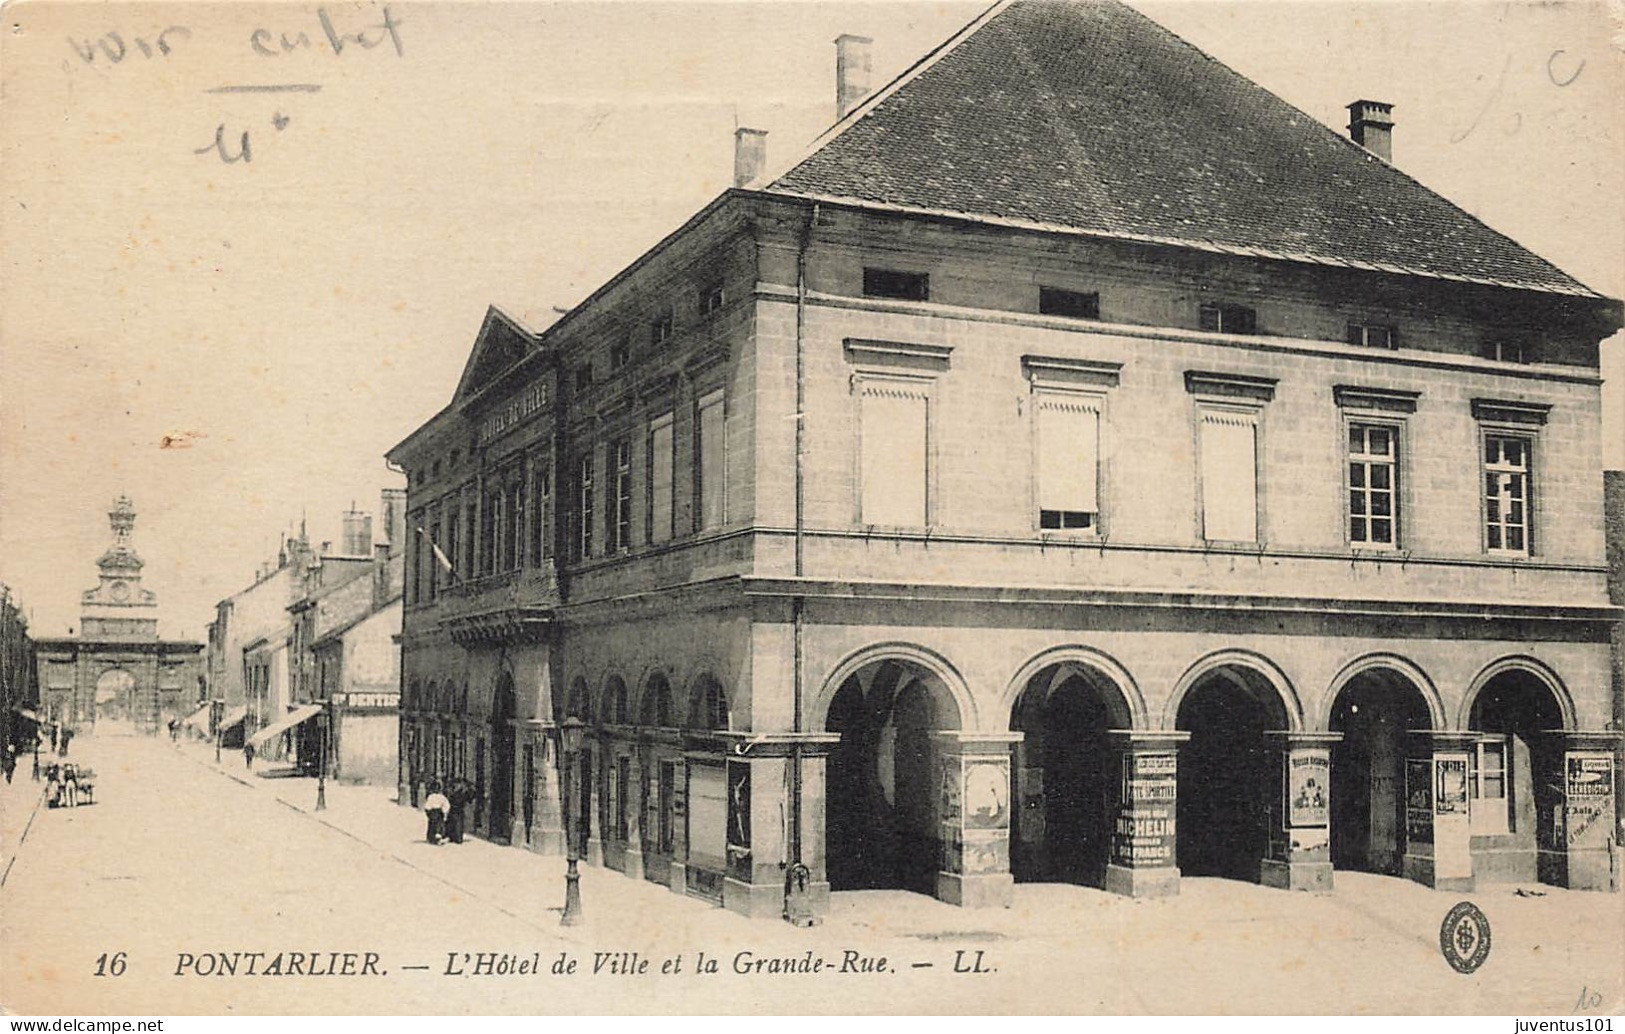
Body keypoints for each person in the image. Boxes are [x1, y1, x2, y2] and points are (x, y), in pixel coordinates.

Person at [445, 778, 471, 844]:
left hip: (458, 808)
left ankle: (457, 838)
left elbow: (468, 799)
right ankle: (454, 837)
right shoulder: (455, 791)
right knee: (454, 823)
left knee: (458, 823)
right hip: (454, 809)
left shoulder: (461, 792)